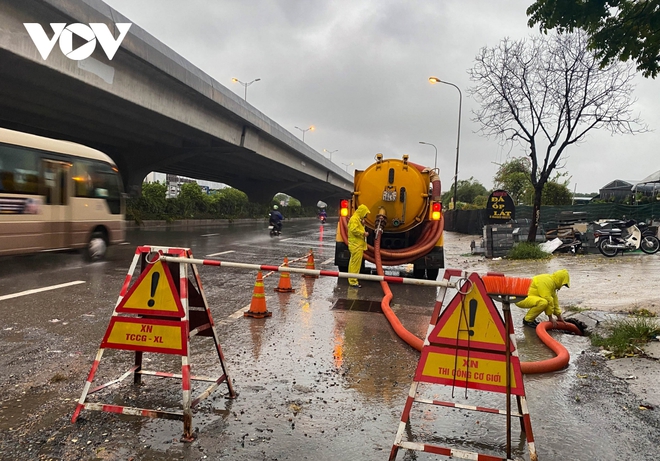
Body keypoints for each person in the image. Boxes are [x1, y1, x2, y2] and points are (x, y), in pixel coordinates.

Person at [347, 204, 370, 288]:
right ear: (362, 212)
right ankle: (353, 281)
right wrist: (363, 233)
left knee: (354, 263)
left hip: (357, 245)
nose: (366, 216)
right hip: (356, 245)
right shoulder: (354, 219)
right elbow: (354, 230)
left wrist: (362, 224)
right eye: (365, 214)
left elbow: (357, 228)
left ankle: (352, 279)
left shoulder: (357, 219)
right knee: (355, 264)